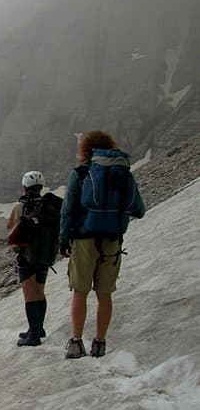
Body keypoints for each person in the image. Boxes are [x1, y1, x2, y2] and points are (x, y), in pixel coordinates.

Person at [59, 130, 146, 359]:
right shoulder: (123, 174)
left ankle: (77, 342)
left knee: (80, 291)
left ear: (86, 150)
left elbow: (68, 210)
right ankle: (100, 343)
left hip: (84, 239)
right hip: (113, 240)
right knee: (104, 293)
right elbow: (139, 209)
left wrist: (63, 240)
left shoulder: (80, 173)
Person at [7, 171, 58, 346]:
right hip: (45, 255)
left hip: (27, 256)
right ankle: (38, 328)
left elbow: (10, 226)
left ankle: (33, 336)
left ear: (24, 187)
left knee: (29, 295)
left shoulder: (19, 207)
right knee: (40, 291)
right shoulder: (48, 206)